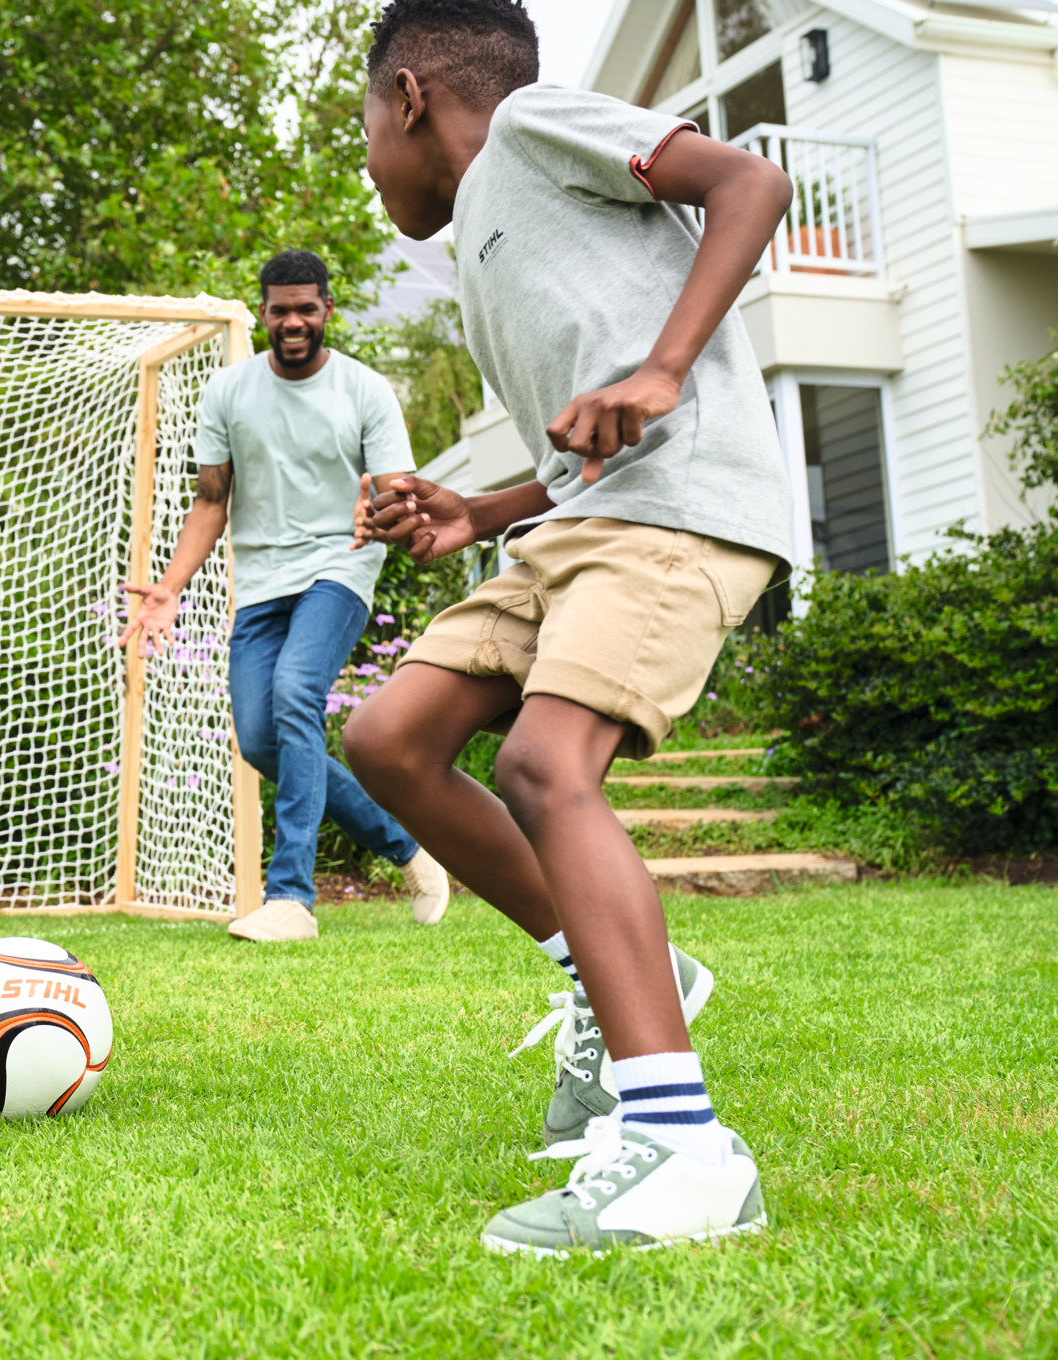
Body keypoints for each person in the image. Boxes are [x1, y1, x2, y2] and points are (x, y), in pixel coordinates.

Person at [346, 0, 795, 1253]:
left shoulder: (534, 128)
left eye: (365, 127)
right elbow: (585, 450)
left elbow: (750, 179)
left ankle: (682, 1149)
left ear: (413, 95)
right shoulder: (485, 250)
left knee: (547, 766)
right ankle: (614, 988)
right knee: (392, 740)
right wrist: (472, 509)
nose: (371, 159)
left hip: (687, 509)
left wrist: (662, 369)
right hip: (579, 531)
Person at [119, 250, 450, 944]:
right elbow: (212, 500)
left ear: (328, 309)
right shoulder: (228, 393)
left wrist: (381, 514)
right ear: (264, 313)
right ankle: (409, 849)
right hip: (262, 584)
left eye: (307, 308)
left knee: (297, 692)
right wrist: (170, 590)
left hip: (339, 569)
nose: (293, 321)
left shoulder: (365, 390)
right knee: (263, 740)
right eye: (280, 310)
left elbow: (396, 491)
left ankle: (290, 898)